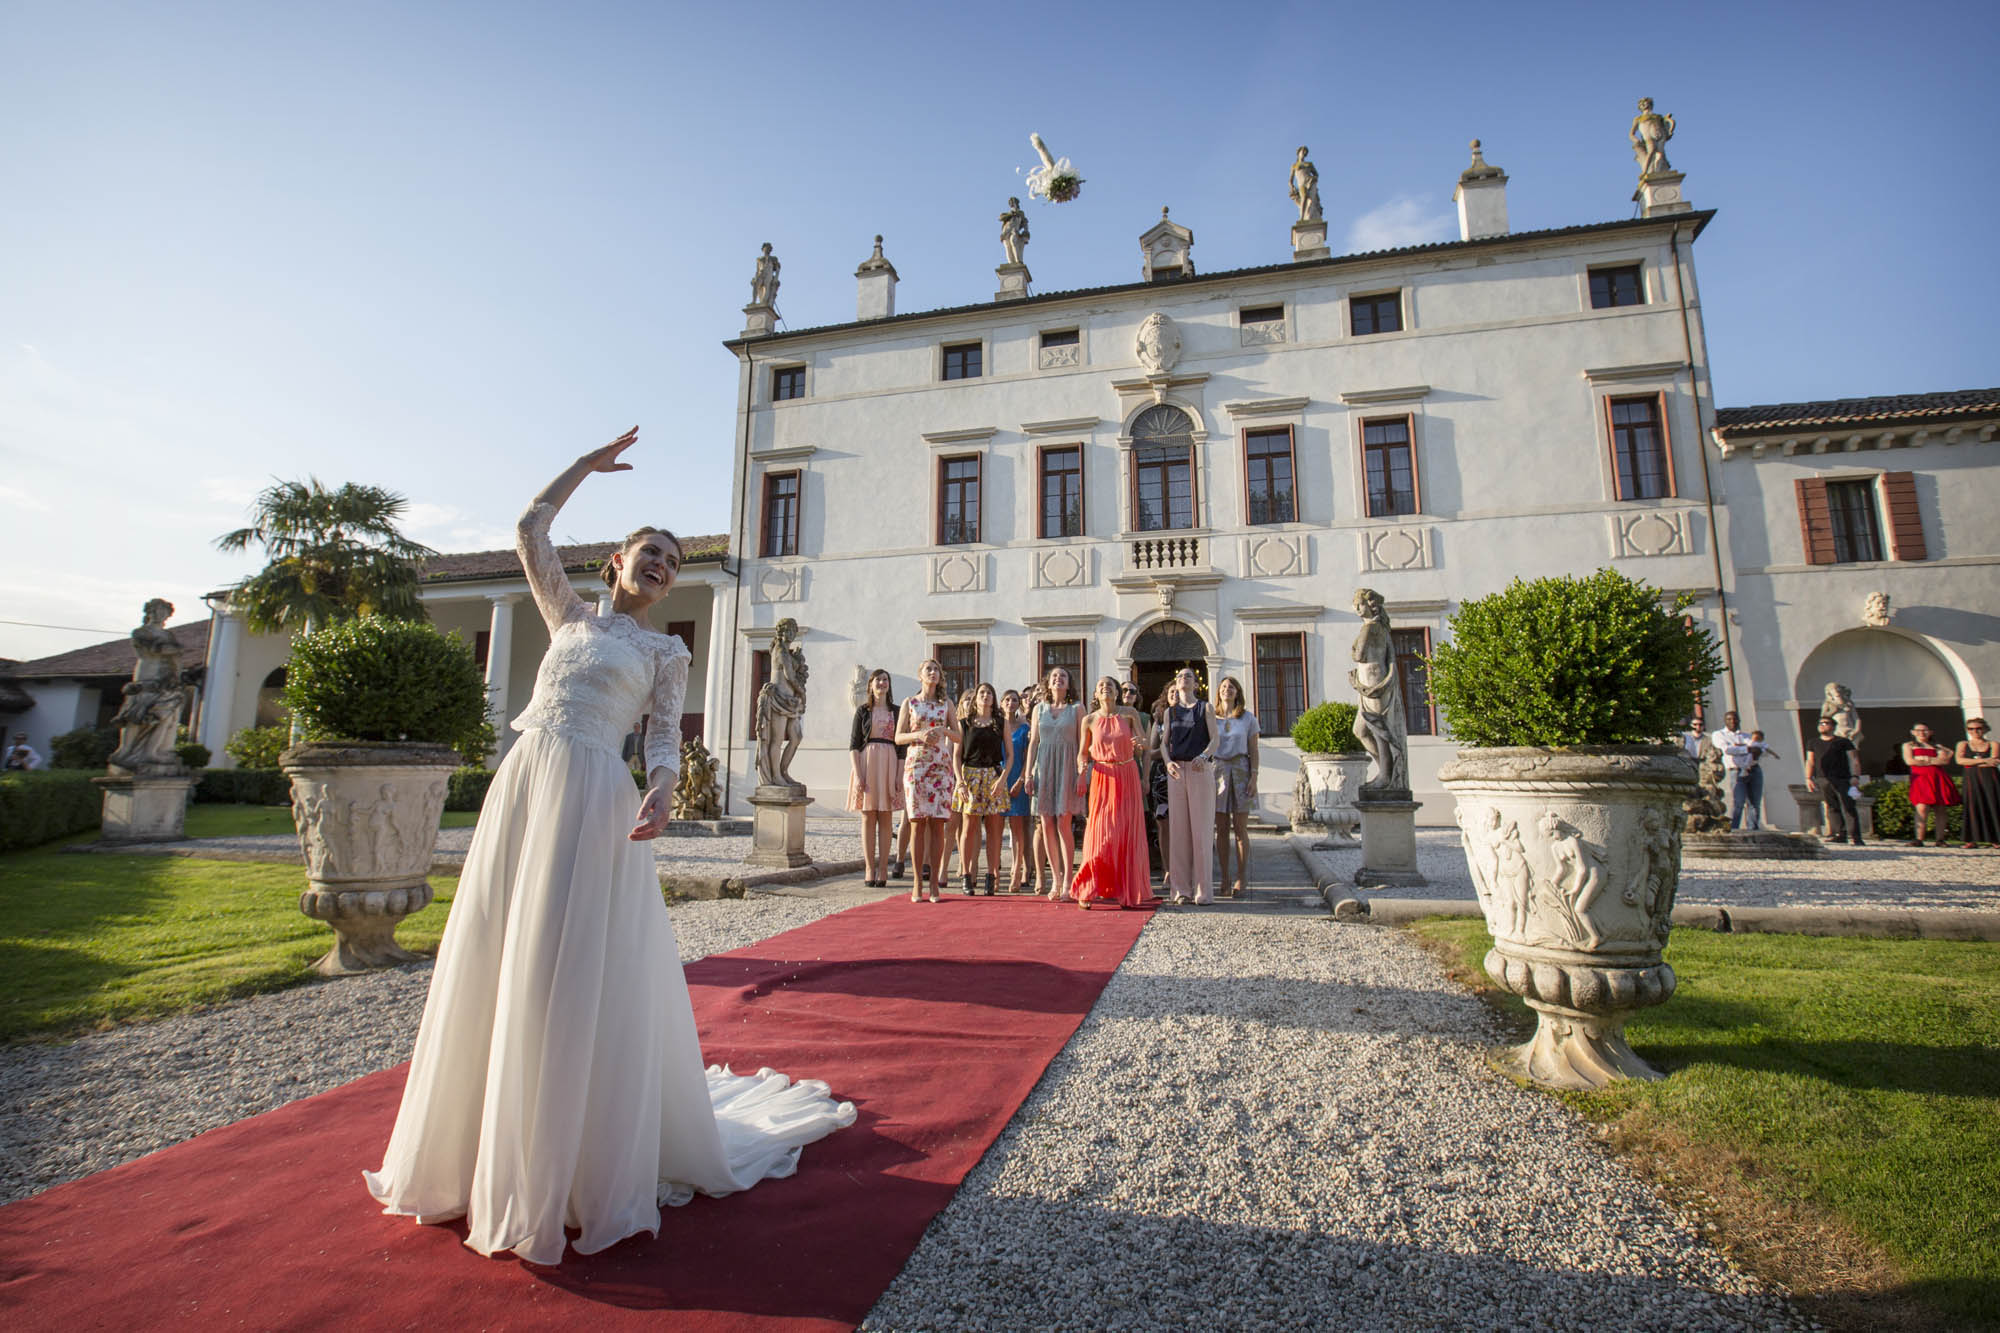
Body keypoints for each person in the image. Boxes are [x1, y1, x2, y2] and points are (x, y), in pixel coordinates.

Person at [364, 430, 853, 1265]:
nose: (663, 563)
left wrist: (664, 787)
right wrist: (586, 468)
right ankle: (481, 1141)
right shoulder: (566, 614)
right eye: (649, 552)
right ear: (616, 565)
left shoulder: (667, 650)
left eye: (672, 558)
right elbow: (529, 527)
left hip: (597, 796)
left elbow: (665, 736)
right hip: (526, 784)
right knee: (501, 943)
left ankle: (570, 1151)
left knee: (570, 952)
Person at [1071, 676, 1154, 910]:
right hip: (1101, 776)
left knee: (1125, 834)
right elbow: (1082, 753)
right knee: (1099, 835)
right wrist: (1080, 771)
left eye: (1110, 686)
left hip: (1127, 775)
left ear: (1117, 692)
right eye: (1101, 686)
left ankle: (1125, 892)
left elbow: (1146, 743)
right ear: (1096, 695)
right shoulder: (1088, 720)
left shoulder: (1130, 714)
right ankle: (1087, 889)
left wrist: (1141, 742)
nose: (1105, 688)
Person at [895, 659, 956, 902]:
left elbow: (959, 736)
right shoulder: (909, 703)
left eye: (937, 670)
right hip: (917, 764)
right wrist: (919, 734)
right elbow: (898, 737)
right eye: (928, 669)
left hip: (940, 765)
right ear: (920, 675)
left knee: (938, 824)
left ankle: (934, 884)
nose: (933, 673)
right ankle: (917, 883)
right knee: (917, 822)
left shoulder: (946, 704)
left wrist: (944, 732)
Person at [1023, 667, 1082, 898]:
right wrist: (1028, 774)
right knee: (1046, 823)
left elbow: (1081, 744)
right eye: (1054, 676)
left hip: (1067, 767)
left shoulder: (1077, 709)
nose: (1058, 679)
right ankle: (1056, 881)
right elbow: (1034, 743)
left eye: (1063, 677)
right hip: (1044, 768)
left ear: (1068, 684)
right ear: (1048, 683)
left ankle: (1069, 881)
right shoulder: (1039, 709)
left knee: (1064, 823)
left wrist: (1081, 773)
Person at [1161, 668, 1217, 905]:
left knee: (1201, 831)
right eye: (1180, 676)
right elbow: (1164, 744)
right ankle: (1181, 890)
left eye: (1188, 676)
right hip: (1177, 772)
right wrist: (1168, 763)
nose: (1184, 679)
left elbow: (1215, 739)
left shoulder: (1206, 708)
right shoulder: (1169, 712)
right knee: (1179, 832)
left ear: (1195, 684)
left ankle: (1203, 890)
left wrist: (1204, 757)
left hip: (1199, 770)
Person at [952, 682, 1012, 895]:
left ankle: (992, 875)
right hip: (970, 776)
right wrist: (959, 782)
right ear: (975, 697)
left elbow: (1010, 755)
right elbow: (957, 756)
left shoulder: (1000, 723)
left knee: (995, 830)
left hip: (994, 776)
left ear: (994, 698)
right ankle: (967, 874)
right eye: (982, 693)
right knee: (969, 828)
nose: (985, 696)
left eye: (989, 693)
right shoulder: (964, 723)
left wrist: (1003, 779)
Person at [846, 668, 903, 887]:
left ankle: (883, 869)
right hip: (867, 763)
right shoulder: (862, 711)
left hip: (889, 762)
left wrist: (899, 775)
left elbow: (901, 747)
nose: (882, 683)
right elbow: (853, 744)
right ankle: (869, 867)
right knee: (868, 816)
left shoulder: (896, 712)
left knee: (886, 817)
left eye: (885, 679)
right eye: (878, 680)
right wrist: (858, 775)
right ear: (871, 684)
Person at [1211, 676, 1260, 898]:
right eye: (1223, 687)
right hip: (1218, 770)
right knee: (1220, 829)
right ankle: (1224, 878)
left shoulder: (1248, 718)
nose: (1227, 690)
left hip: (1241, 768)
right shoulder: (1211, 717)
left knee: (1240, 829)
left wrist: (1254, 777)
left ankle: (1242, 877)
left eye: (1231, 687)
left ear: (1237, 692)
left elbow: (1254, 749)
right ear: (1218, 692)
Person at [1806, 715, 1863, 846]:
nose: (1822, 725)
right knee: (1832, 807)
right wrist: (1808, 777)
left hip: (1842, 778)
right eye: (1820, 723)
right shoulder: (1813, 742)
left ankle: (1856, 836)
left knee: (1848, 806)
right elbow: (1810, 760)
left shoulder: (1843, 742)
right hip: (1823, 778)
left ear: (1833, 726)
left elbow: (1854, 759)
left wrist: (1855, 776)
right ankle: (1840, 834)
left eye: (1826, 723)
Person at [1902, 722, 1959, 847]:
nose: (1922, 733)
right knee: (1921, 808)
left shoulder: (1937, 746)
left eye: (1925, 730)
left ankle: (1940, 839)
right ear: (1913, 732)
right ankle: (1919, 838)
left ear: (1931, 732)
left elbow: (1945, 759)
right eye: (1918, 730)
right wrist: (1932, 760)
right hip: (1921, 778)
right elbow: (1909, 761)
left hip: (1937, 777)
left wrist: (1924, 760)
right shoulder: (1908, 745)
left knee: (1940, 808)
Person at [1001, 689, 1034, 891]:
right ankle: (995, 872)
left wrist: (1021, 779)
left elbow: (1026, 756)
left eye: (1014, 700)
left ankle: (1018, 870)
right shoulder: (997, 726)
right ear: (1002, 703)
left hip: (1016, 781)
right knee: (996, 828)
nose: (1011, 703)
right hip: (998, 779)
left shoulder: (1024, 728)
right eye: (1007, 700)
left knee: (1017, 828)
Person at [1708, 711, 1757, 831]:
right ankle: (1734, 828)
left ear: (1739, 720)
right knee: (1738, 802)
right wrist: (1746, 749)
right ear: (1725, 721)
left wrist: (1740, 748)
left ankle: (1753, 828)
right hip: (1735, 770)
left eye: (1735, 719)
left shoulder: (1746, 736)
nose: (1733, 722)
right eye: (1729, 719)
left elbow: (1759, 750)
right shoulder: (1719, 734)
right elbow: (1727, 750)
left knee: (1754, 803)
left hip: (1753, 769)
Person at [1957, 718, 2000, 848]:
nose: (1975, 731)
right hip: (1972, 779)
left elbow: (1994, 761)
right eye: (1971, 729)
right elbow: (1960, 760)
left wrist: (1973, 762)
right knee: (1972, 805)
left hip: (1990, 778)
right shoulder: (1963, 744)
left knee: (1993, 804)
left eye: (1978, 728)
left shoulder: (1993, 744)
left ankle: (1996, 838)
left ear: (1985, 729)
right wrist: (1984, 761)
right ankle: (1971, 839)